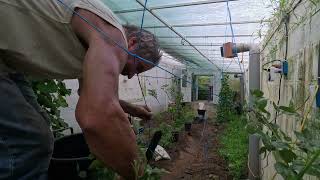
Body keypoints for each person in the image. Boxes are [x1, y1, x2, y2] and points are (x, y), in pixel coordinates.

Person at [0, 0, 162, 179]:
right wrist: (139, 172)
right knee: (31, 143)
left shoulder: (94, 44)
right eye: (137, 67)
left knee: (36, 135)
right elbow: (96, 114)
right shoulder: (114, 38)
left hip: (7, 65)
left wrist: (134, 110)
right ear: (131, 43)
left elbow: (89, 94)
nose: (131, 75)